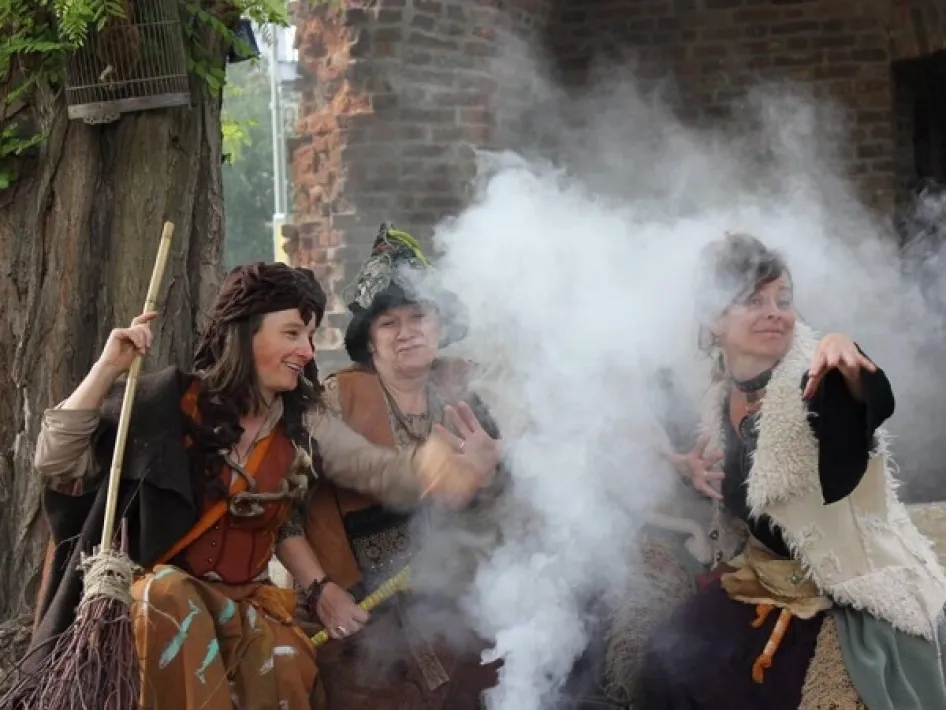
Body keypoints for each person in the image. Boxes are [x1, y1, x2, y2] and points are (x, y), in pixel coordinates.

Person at [24, 262, 500, 709]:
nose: (307, 352)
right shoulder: (167, 403)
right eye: (292, 334)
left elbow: (374, 469)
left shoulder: (301, 419)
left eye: (310, 337)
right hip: (161, 611)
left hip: (248, 606)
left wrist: (443, 469)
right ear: (245, 333)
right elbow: (57, 459)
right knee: (167, 597)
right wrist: (108, 368)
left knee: (292, 661)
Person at [635, 233, 946, 709]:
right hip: (764, 576)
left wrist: (851, 363)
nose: (774, 312)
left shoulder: (815, 375)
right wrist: (686, 471)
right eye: (753, 301)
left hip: (842, 591)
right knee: (665, 664)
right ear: (712, 320)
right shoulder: (719, 391)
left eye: (783, 299)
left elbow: (865, 404)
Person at [301, 224, 505, 710]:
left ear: (439, 328)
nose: (406, 332)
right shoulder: (338, 397)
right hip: (354, 613)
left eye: (418, 317)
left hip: (449, 604)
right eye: (388, 323)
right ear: (370, 342)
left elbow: (499, 499)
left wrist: (491, 476)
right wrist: (320, 590)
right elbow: (288, 508)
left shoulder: (464, 395)